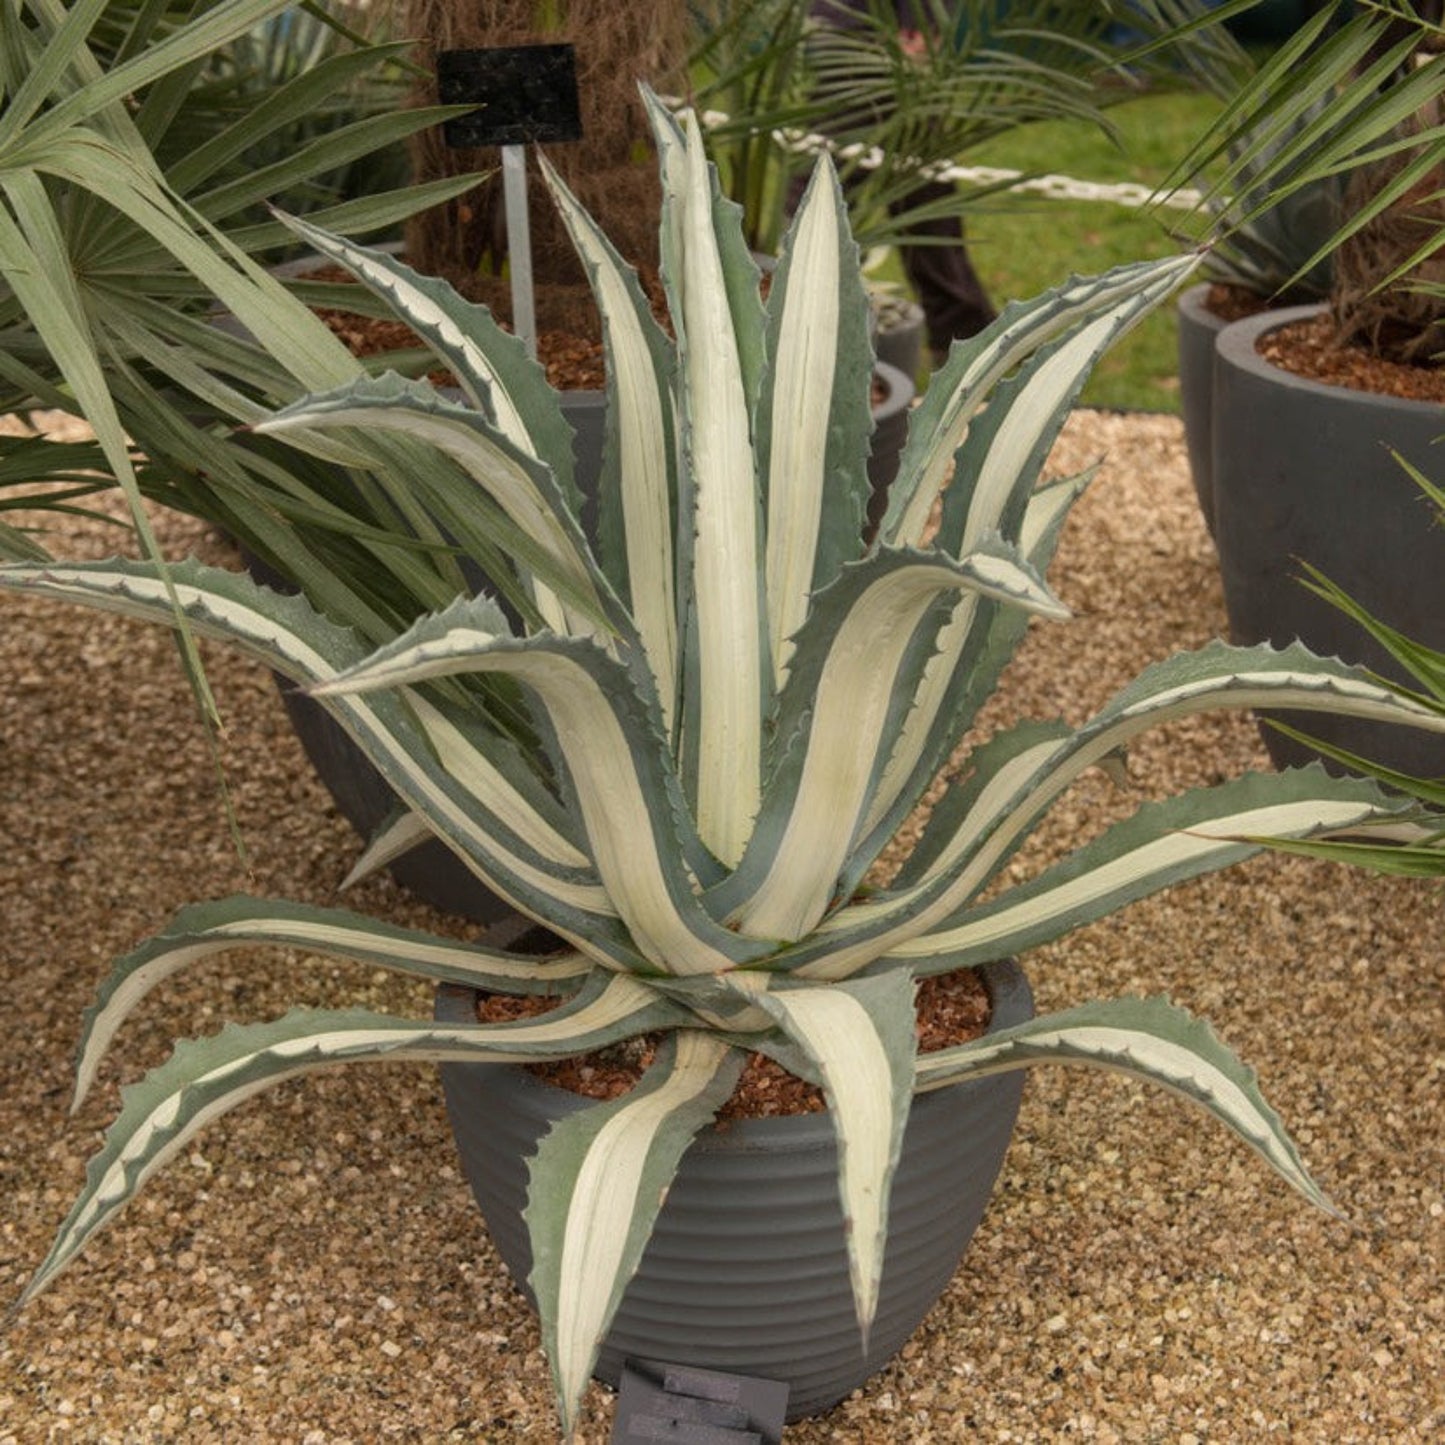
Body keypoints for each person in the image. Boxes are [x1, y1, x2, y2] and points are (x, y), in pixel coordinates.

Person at [805, 0, 998, 358]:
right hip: (852, 30)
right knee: (831, 198)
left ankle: (965, 336)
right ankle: (966, 335)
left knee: (820, 201)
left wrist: (919, 23)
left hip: (881, 35)